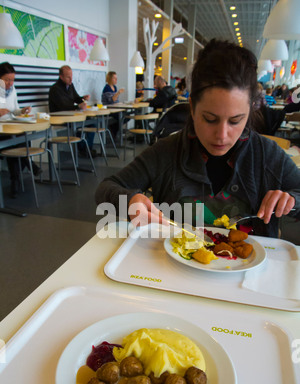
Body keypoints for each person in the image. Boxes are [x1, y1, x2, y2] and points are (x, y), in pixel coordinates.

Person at [95, 39, 300, 239]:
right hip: (172, 268)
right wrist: (130, 201)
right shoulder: (167, 152)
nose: (222, 135)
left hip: (252, 271)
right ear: (192, 108)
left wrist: (292, 200)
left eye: (236, 121)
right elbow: (106, 188)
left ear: (250, 110)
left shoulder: (267, 155)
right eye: (210, 119)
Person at [0, 62, 41, 198]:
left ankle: (15, 181)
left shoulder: (12, 90)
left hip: (11, 126)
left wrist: (22, 111)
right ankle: (29, 165)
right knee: (13, 142)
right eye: (7, 80)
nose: (10, 83)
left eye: (12, 80)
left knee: (20, 139)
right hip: (1, 131)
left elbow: (14, 111)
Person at [48, 65, 96, 157]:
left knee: (91, 122)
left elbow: (76, 98)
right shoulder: (55, 89)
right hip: (60, 119)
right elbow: (62, 106)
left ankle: (87, 149)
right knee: (82, 124)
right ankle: (83, 149)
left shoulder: (70, 86)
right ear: (61, 77)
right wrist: (78, 106)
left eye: (71, 76)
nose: (71, 79)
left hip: (71, 116)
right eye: (68, 77)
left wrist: (83, 98)